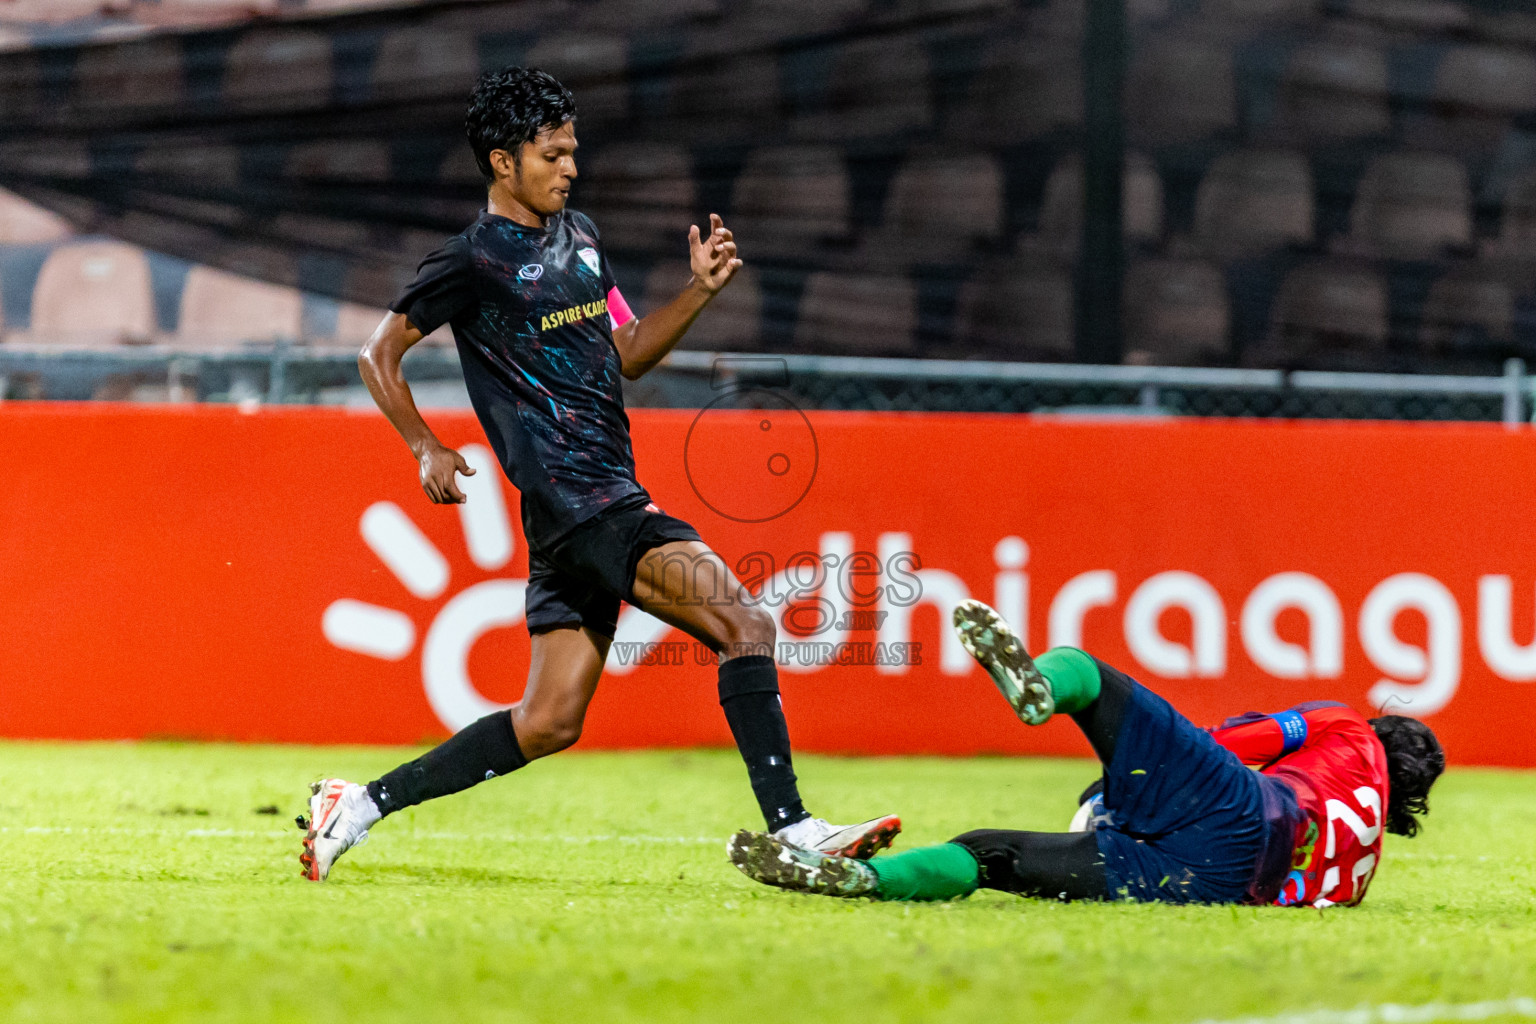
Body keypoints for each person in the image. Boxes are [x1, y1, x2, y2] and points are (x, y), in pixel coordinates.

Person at [298, 66, 898, 881]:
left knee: (548, 722)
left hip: (582, 509)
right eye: (553, 154)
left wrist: (697, 293)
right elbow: (379, 354)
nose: (570, 168)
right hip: (586, 503)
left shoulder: (579, 237)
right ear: (503, 163)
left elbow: (628, 351)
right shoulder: (472, 259)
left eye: (573, 152)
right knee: (746, 626)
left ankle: (357, 804)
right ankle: (793, 830)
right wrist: (425, 446)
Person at [729, 599, 1443, 907]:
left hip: (1241, 811)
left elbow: (1233, 743)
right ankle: (868, 883)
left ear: (1382, 733)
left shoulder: (1347, 727)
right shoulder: (1358, 876)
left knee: (1094, 676)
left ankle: (1039, 690)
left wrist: (1135, 778)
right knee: (987, 855)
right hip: (1215, 884)